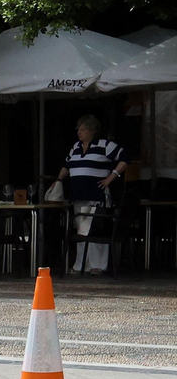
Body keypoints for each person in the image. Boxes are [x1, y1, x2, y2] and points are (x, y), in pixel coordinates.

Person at [57, 114, 128, 275]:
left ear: (92, 130)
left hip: (97, 195)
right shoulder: (76, 147)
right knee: (81, 230)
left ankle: (98, 265)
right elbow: (67, 164)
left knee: (96, 230)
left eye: (82, 129)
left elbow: (125, 158)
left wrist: (111, 177)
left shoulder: (104, 145)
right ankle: (81, 265)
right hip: (78, 195)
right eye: (78, 130)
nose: (79, 133)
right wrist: (59, 179)